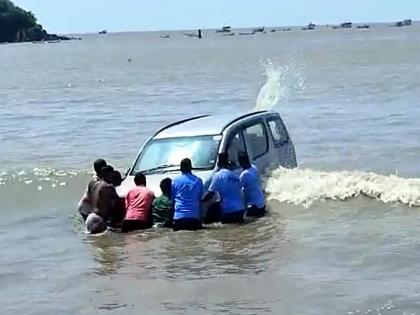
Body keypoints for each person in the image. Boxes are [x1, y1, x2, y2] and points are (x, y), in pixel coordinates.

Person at [202, 153, 245, 224]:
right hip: (241, 210)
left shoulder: (218, 176)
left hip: (228, 211)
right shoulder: (235, 174)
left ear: (219, 162)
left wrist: (200, 201)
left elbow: (210, 194)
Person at [172, 158, 203, 231]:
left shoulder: (175, 181)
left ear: (180, 169)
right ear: (191, 168)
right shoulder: (198, 181)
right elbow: (200, 200)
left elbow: (173, 200)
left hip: (179, 218)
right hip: (194, 218)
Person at [89, 165, 119, 234]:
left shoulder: (96, 184)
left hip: (91, 217)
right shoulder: (109, 187)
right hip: (99, 220)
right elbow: (114, 204)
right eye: (112, 174)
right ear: (109, 174)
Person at [238, 151, 266, 217]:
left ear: (242, 162)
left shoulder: (244, 174)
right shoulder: (254, 168)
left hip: (254, 207)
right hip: (262, 204)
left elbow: (236, 189)